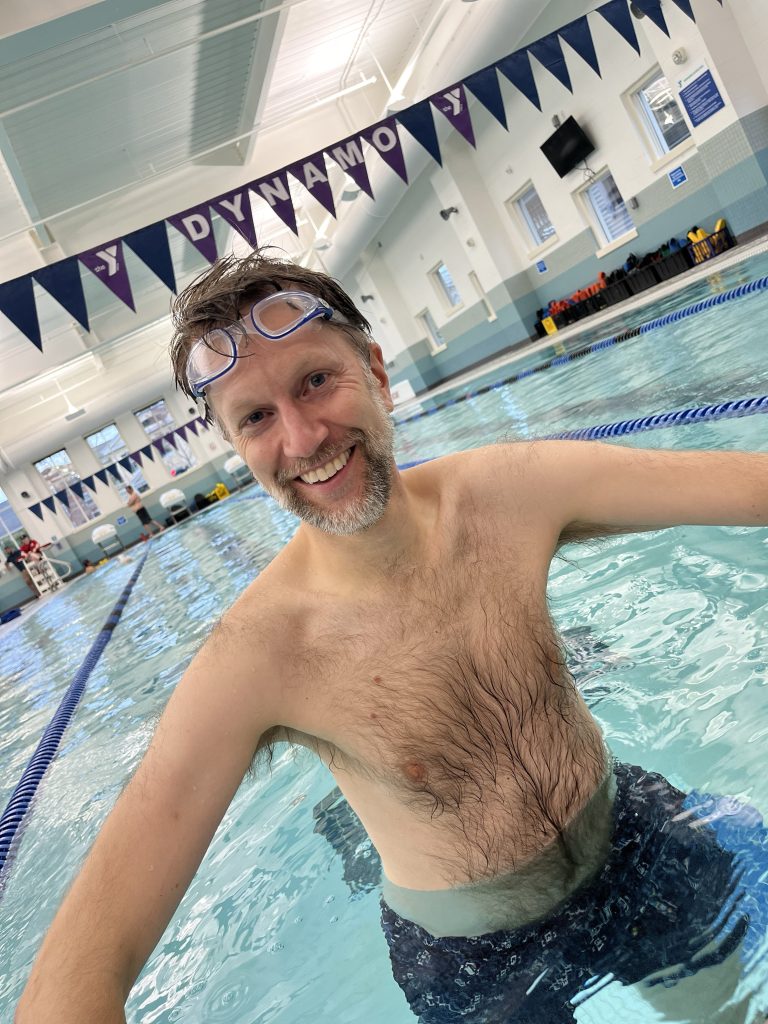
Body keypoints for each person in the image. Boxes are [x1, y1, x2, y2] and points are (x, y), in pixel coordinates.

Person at [17, 253, 768, 1024]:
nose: (304, 437)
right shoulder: (257, 657)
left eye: (315, 380)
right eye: (256, 417)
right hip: (479, 966)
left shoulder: (513, 493)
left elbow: (752, 485)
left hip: (632, 846)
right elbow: (79, 971)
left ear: (374, 369)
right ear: (236, 448)